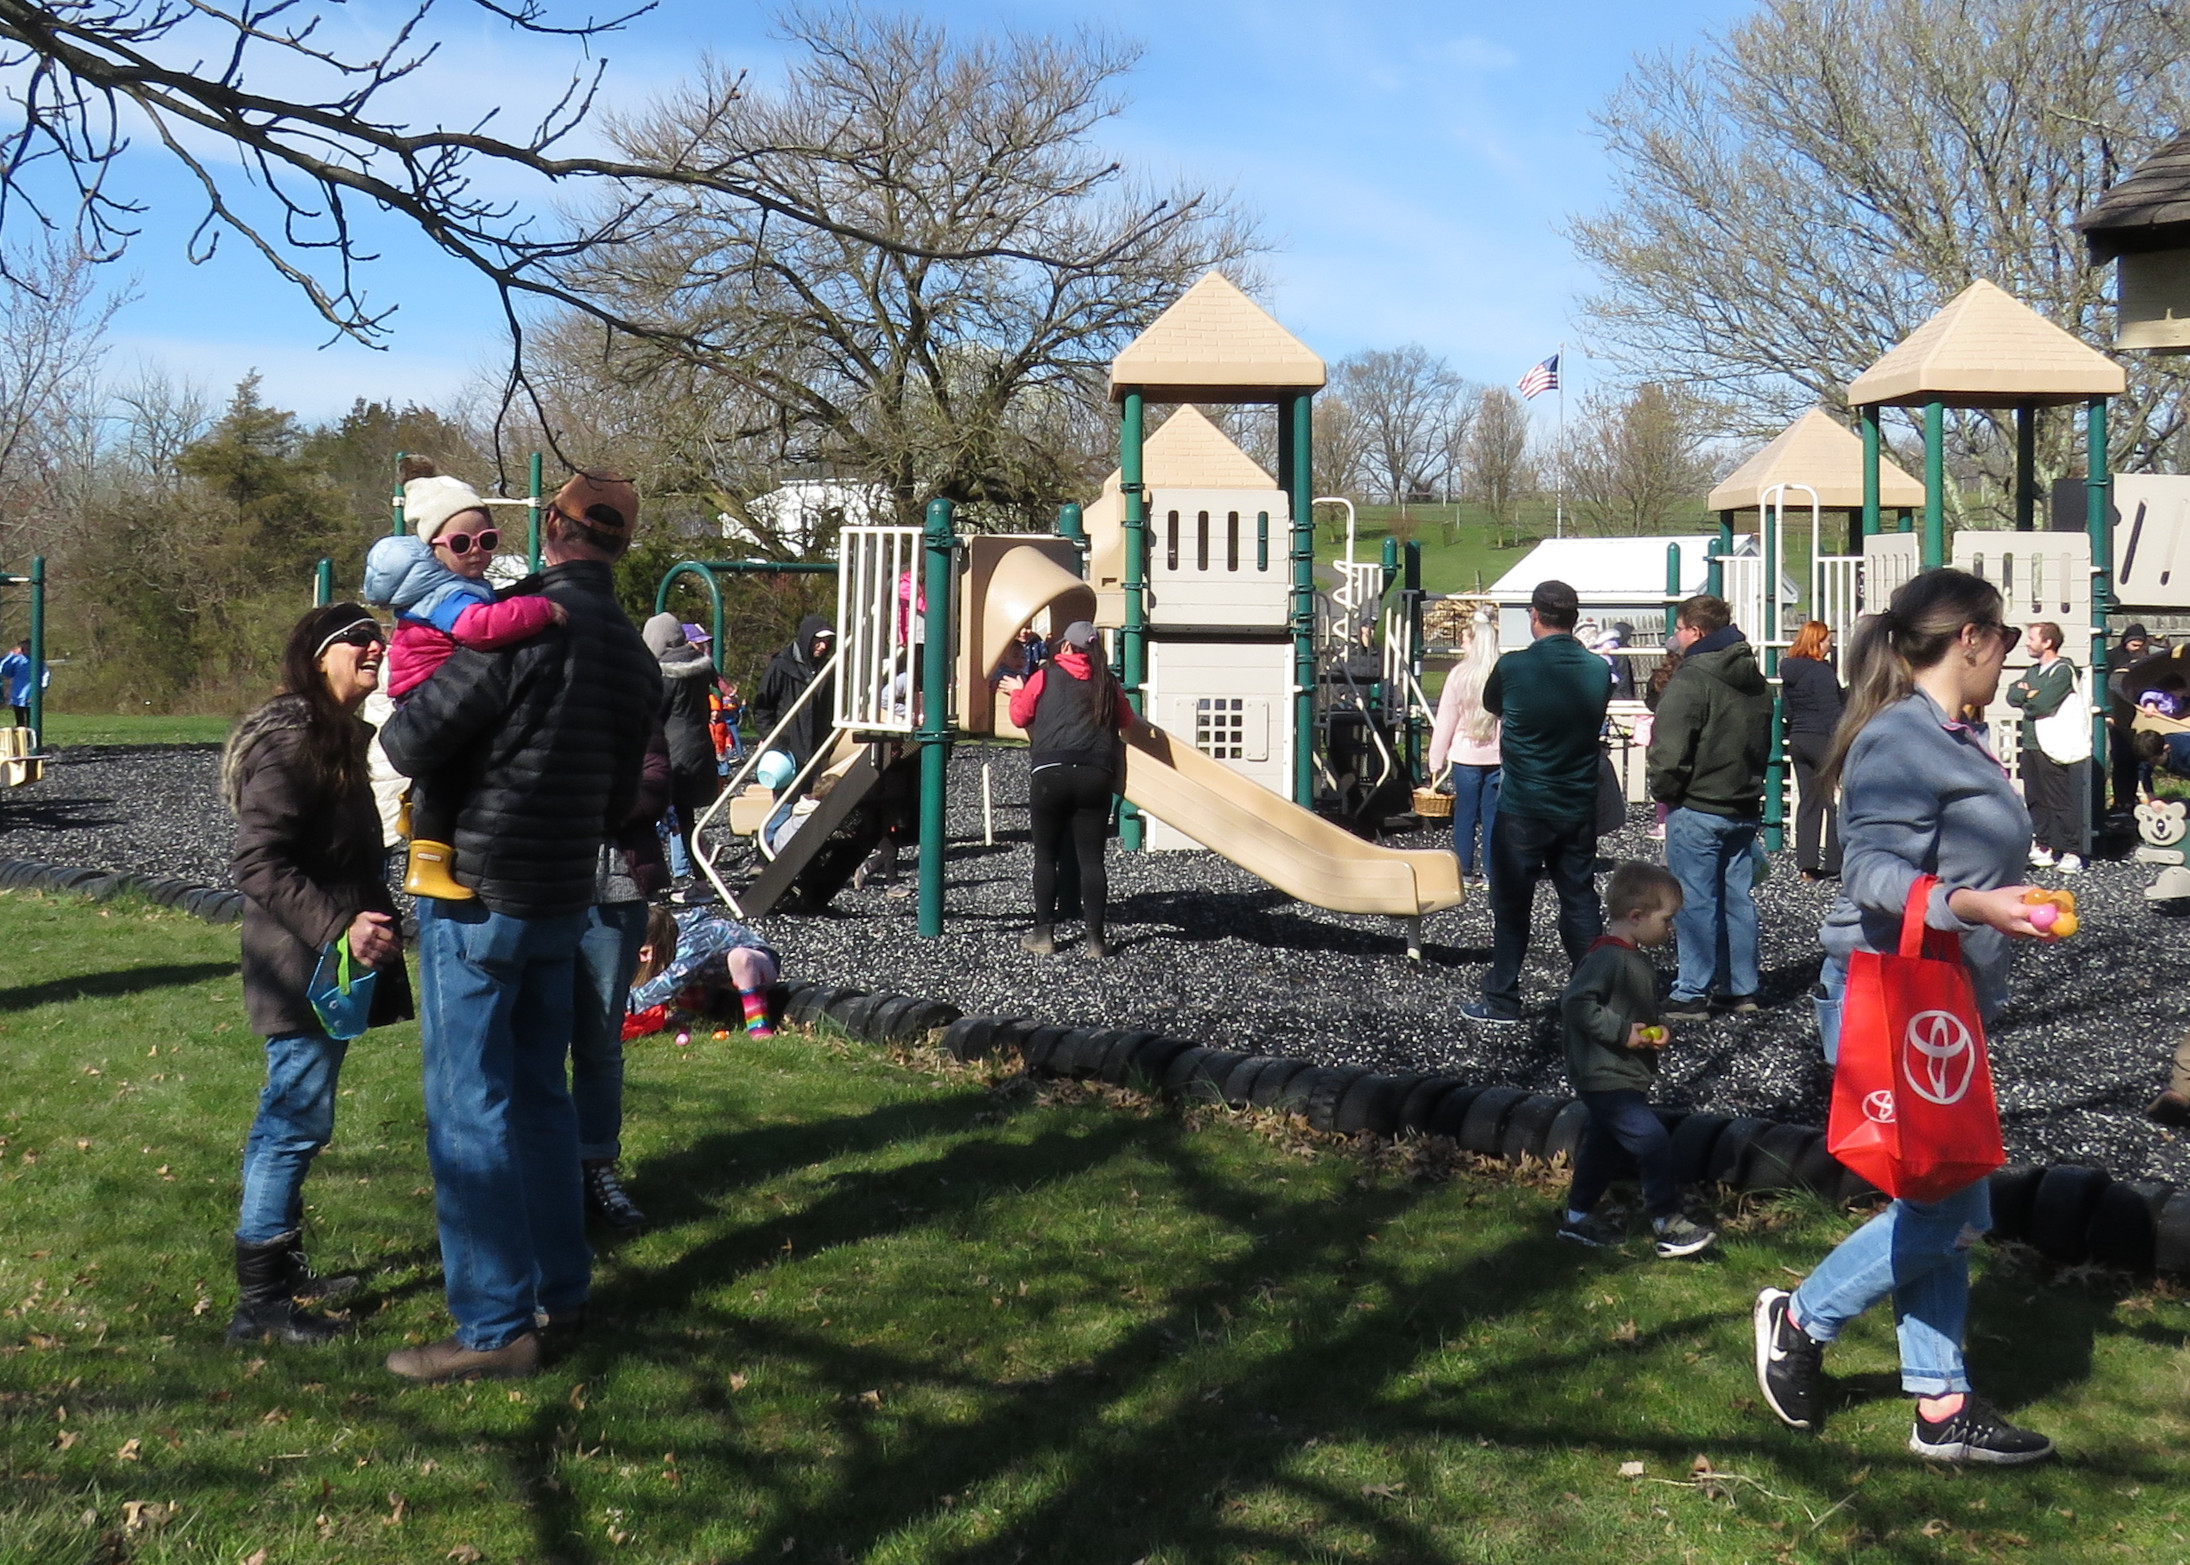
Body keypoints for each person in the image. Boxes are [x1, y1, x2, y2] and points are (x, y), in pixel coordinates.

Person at [1754, 566, 2056, 1466]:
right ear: (1969, 637)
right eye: (2000, 639)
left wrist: (2004, 904)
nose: (2005, 656)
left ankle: (1940, 1404)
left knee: (1944, 1189)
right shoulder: (1898, 740)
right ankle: (1801, 1317)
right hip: (1890, 995)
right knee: (1955, 1207)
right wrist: (1975, 906)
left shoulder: (1956, 735)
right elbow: (1869, 874)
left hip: (1941, 1004)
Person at [377, 470, 658, 1383]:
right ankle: (561, 1292)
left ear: (557, 528)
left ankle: (494, 1325)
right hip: (562, 896)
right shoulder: (633, 652)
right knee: (543, 1095)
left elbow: (409, 741)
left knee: (469, 1106)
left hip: (476, 894)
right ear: (619, 544)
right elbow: (624, 798)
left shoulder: (523, 624)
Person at [222, 604, 413, 1345]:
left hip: (323, 963)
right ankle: (260, 1306)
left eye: (378, 639)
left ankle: (285, 1270)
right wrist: (341, 925)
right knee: (293, 1120)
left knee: (298, 1116)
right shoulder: (293, 740)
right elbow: (257, 860)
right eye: (357, 640)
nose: (376, 648)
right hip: (300, 965)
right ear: (316, 656)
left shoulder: (333, 736)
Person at [362, 459, 562, 900]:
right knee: (449, 769)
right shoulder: (444, 594)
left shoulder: (457, 583)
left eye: (488, 540)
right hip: (425, 691)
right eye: (461, 543)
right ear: (433, 549)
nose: (477, 551)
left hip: (433, 685)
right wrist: (540, 610)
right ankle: (425, 864)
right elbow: (479, 628)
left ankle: (412, 813)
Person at [1463, 581, 1610, 1026]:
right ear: (1573, 618)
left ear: (1535, 616)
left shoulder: (1514, 667)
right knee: (1580, 900)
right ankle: (1593, 997)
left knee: (1512, 905)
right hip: (1576, 803)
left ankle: (1503, 997)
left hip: (1524, 802)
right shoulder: (1597, 670)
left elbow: (1491, 704)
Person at [1556, 861, 1716, 1258]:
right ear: (1636, 916)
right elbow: (1576, 1003)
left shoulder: (1632, 957)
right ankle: (1666, 1222)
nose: (1671, 928)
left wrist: (1652, 1028)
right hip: (1603, 1074)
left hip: (1622, 1072)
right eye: (1667, 919)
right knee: (1651, 1139)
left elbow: (1631, 1010)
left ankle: (1577, 1220)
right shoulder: (1608, 959)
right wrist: (1623, 1032)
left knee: (1602, 1148)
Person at [1648, 593, 1772, 1021]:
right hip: (1741, 803)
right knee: (1737, 899)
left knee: (1695, 900)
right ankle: (1741, 988)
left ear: (1696, 632)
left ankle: (1692, 991)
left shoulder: (1693, 677)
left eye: (1679, 630)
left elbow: (1670, 748)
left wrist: (1664, 789)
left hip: (1697, 805)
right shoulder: (1753, 677)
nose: (1675, 638)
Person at [570, 718, 672, 1234]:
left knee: (601, 1045)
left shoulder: (628, 694)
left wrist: (575, 797)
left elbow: (653, 784)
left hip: (613, 896)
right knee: (533, 1044)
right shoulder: (523, 677)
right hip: (531, 894)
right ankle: (545, 1173)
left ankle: (595, 1167)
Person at [1008, 619, 1132, 959]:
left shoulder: (1044, 676)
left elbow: (1020, 717)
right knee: (1092, 860)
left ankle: (1044, 934)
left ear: (1065, 647)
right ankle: (1095, 940)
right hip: (1096, 774)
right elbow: (1126, 720)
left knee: (1046, 856)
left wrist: (1017, 691)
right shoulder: (1108, 682)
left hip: (1051, 771)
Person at [643, 613, 722, 887]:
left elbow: (654, 714)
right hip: (700, 746)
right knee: (685, 816)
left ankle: (653, 878)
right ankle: (700, 876)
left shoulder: (666, 673)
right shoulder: (700, 667)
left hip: (672, 752)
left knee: (648, 812)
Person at [624, 904, 782, 1041]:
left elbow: (673, 979)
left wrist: (624, 1004)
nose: (645, 959)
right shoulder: (667, 930)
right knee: (684, 964)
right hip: (718, 977)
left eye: (645, 953)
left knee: (740, 958)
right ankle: (689, 1015)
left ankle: (758, 1026)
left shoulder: (698, 939)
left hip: (761, 968)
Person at [1426, 610, 1501, 885]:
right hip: (1497, 755)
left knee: (1465, 815)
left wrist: (1435, 759)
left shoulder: (1459, 675)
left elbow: (1446, 718)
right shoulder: (1501, 672)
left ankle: (1464, 871)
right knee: (1493, 816)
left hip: (1465, 754)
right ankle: (1492, 871)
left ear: (1472, 641)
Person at [2006, 622, 2084, 873]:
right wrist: (2028, 695)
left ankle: (2073, 851)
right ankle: (2044, 845)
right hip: (2030, 743)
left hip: (2053, 743)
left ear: (2047, 642)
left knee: (2059, 799)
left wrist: (2030, 697)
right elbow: (2011, 695)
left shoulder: (2063, 671)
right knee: (2036, 799)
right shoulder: (2032, 672)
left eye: (2032, 638)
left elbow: (2043, 704)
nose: (2027, 643)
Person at [1779, 621, 1845, 881]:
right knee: (1834, 802)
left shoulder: (1790, 672)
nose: (1831, 644)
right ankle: (1834, 865)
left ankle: (1806, 865)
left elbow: (1786, 710)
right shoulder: (1822, 672)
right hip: (1823, 740)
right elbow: (1832, 713)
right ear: (1817, 642)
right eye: (1827, 639)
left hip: (1799, 739)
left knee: (1808, 802)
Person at [753, 614, 837, 767]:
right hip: (786, 752)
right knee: (787, 790)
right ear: (807, 638)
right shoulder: (781, 665)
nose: (823, 646)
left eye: (827, 641)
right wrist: (774, 740)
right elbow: (763, 708)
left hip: (817, 751)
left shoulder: (827, 669)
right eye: (818, 640)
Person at [2106, 621, 2152, 814]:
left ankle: (2132, 798)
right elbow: (2106, 685)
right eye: (2134, 642)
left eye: (2140, 643)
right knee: (2120, 758)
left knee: (2138, 759)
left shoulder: (2146, 659)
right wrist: (2108, 713)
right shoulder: (2113, 658)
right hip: (2118, 715)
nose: (2137, 646)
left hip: (2140, 715)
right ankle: (2120, 799)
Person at [1, 639, 44, 728]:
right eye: (22, 648)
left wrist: (39, 692)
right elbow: (3, 669)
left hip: (31, 695)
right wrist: (11, 655)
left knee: (31, 722)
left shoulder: (38, 662)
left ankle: (32, 740)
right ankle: (21, 740)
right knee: (20, 722)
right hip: (17, 695)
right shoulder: (17, 660)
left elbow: (45, 677)